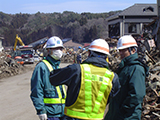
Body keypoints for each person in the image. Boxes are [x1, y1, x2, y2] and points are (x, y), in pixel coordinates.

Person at [49, 38, 121, 120]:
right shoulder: (112, 77)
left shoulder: (77, 70)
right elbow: (112, 97)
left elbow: (53, 78)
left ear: (89, 53)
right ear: (107, 57)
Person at [104, 35, 149, 120]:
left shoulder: (137, 69)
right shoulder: (124, 68)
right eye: (120, 50)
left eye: (123, 50)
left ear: (133, 50)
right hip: (117, 114)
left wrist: (123, 110)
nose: (120, 53)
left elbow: (136, 95)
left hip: (128, 116)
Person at [30, 36, 66, 120]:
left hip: (62, 113)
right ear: (48, 50)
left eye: (60, 48)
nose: (59, 51)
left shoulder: (57, 67)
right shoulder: (41, 67)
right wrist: (41, 111)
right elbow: (37, 90)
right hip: (50, 114)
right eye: (55, 48)